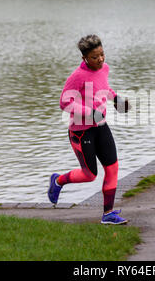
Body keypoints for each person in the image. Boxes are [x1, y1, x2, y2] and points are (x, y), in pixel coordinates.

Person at [48, 34, 131, 225]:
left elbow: (104, 88)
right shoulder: (77, 77)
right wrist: (90, 113)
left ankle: (108, 214)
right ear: (84, 58)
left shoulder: (105, 68)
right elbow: (64, 102)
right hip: (81, 131)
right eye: (95, 57)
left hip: (101, 126)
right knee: (89, 175)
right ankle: (58, 181)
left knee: (112, 168)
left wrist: (116, 99)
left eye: (102, 54)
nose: (100, 59)